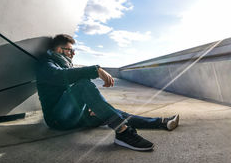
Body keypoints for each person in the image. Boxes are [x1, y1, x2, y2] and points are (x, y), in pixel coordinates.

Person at [36, 34, 179, 151]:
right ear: (59, 50)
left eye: (74, 51)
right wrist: (96, 70)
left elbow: (72, 91)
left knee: (112, 112)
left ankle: (160, 122)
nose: (73, 53)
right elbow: (61, 76)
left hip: (78, 117)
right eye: (69, 50)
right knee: (83, 84)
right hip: (58, 119)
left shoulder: (65, 65)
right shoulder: (46, 64)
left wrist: (88, 107)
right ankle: (123, 133)